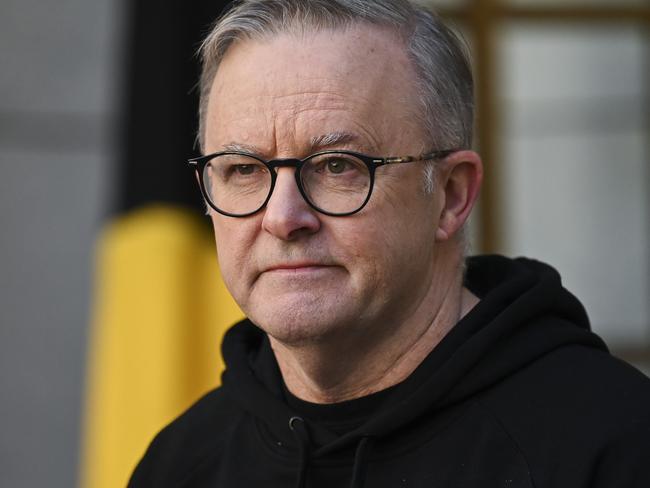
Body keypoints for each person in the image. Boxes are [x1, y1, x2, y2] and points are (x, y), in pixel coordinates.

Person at [129, 1, 650, 487]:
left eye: (338, 166)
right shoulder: (180, 464)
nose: (283, 217)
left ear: (450, 195)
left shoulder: (616, 448)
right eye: (243, 170)